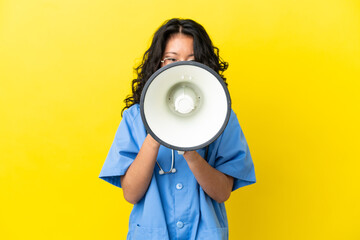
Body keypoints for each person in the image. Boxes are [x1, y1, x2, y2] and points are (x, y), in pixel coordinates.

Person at [99, 18, 256, 240]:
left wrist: (190, 152)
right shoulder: (135, 118)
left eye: (192, 60)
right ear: (158, 64)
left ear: (205, 65)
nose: (181, 67)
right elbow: (131, 194)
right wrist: (156, 134)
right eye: (172, 59)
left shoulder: (223, 118)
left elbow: (222, 193)